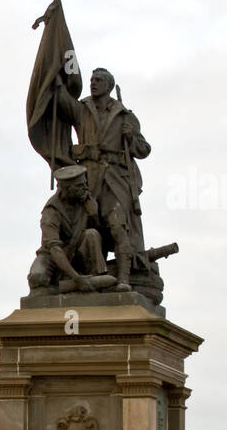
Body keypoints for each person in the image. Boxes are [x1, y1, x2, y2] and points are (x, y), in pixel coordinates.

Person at [52, 67, 147, 290]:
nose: (92, 83)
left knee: (117, 225)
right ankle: (94, 275)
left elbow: (143, 149)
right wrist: (54, 75)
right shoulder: (81, 109)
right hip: (87, 180)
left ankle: (124, 279)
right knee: (88, 227)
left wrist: (130, 136)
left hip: (115, 180)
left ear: (109, 85)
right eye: (92, 79)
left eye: (98, 80)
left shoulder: (125, 115)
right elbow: (61, 101)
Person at [27, 165, 115, 296]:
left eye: (85, 184)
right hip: (53, 256)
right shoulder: (51, 211)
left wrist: (94, 215)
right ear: (67, 189)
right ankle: (65, 286)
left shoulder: (85, 200)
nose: (85, 188)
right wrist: (76, 278)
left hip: (75, 251)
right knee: (37, 278)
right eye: (80, 186)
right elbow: (55, 249)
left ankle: (96, 281)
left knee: (92, 234)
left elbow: (104, 239)